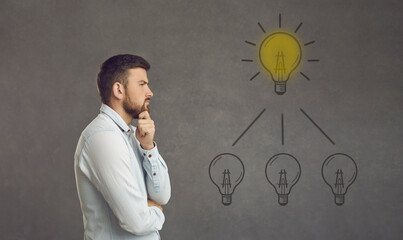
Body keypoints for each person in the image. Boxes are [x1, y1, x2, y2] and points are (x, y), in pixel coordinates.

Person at [74, 54, 171, 240]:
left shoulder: (133, 136)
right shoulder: (102, 138)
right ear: (119, 90)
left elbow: (162, 195)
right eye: (142, 84)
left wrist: (148, 147)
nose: (150, 92)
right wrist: (156, 211)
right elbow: (136, 222)